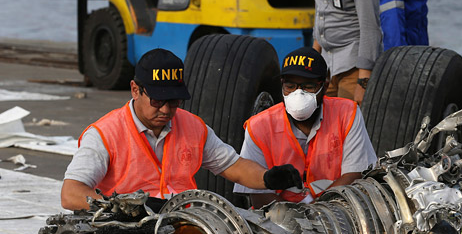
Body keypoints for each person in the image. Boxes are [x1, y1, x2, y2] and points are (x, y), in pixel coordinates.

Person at [61, 48, 302, 211]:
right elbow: (71, 194)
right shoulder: (104, 134)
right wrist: (127, 207)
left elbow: (235, 167)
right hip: (128, 229)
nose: (166, 110)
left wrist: (268, 178)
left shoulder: (193, 126)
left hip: (184, 223)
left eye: (174, 101)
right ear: (135, 90)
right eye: (157, 101)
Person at [233, 47, 377, 208]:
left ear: (325, 86)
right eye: (290, 86)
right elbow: (258, 195)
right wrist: (296, 219)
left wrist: (319, 213)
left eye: (308, 86)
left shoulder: (347, 113)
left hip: (337, 212)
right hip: (276, 219)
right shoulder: (259, 126)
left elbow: (355, 174)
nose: (298, 94)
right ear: (282, 85)